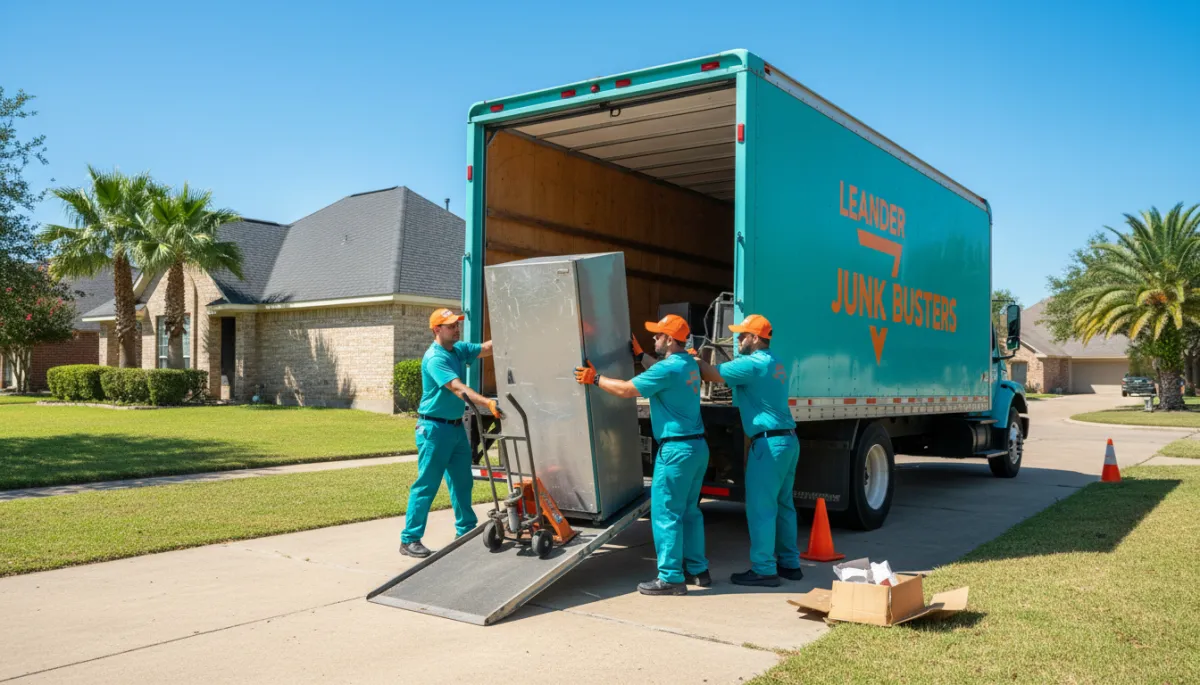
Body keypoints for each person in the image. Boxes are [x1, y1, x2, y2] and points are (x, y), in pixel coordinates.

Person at [574, 314, 710, 596]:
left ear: (670, 340)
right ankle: (698, 570)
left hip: (675, 451)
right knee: (689, 512)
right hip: (697, 448)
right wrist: (640, 355)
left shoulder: (668, 369)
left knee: (666, 513)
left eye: (658, 335)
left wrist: (595, 378)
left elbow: (626, 390)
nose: (654, 338)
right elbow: (659, 372)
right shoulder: (688, 364)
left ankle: (671, 578)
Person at [691, 314, 804, 587]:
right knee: (784, 505)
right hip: (787, 441)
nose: (737, 339)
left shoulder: (751, 364)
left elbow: (712, 374)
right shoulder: (775, 361)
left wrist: (693, 359)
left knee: (761, 508)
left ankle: (764, 570)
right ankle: (790, 564)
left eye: (742, 335)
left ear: (755, 338)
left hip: (768, 445)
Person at [400, 308, 501, 558]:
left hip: (455, 428)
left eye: (457, 324)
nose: (456, 329)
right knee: (426, 485)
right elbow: (458, 388)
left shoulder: (458, 349)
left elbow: (486, 348)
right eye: (450, 326)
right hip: (434, 430)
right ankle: (409, 539)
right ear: (436, 330)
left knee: (462, 482)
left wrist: (514, 332)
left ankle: (465, 530)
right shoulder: (436, 358)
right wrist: (487, 403)